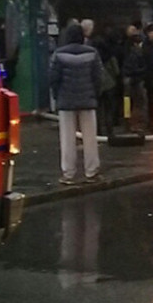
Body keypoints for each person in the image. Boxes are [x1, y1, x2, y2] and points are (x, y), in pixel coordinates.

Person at [48, 21, 102, 184]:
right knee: (90, 138)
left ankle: (68, 174)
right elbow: (98, 78)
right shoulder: (92, 53)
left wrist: (58, 96)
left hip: (66, 101)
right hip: (87, 101)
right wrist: (94, 95)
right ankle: (91, 172)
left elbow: (53, 79)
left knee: (67, 138)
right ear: (82, 36)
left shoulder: (58, 54)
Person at [121, 30, 147, 133]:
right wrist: (144, 70)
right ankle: (135, 124)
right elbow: (136, 69)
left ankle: (127, 123)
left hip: (127, 81)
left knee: (127, 103)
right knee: (138, 103)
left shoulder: (127, 51)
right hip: (135, 82)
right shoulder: (137, 53)